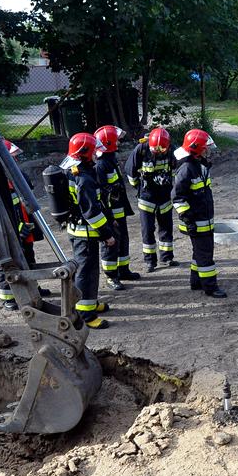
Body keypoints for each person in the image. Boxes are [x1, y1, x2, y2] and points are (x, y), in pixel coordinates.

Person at [61, 133, 116, 329]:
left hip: (81, 231)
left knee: (89, 271)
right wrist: (107, 234)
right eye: (94, 151)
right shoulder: (84, 178)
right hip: (85, 234)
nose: (96, 155)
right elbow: (92, 212)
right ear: (85, 153)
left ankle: (90, 302)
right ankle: (85, 314)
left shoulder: (76, 170)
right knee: (86, 272)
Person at [0, 140, 50, 311]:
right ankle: (9, 297)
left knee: (28, 257)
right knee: (7, 262)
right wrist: (15, 228)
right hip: (9, 231)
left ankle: (33, 288)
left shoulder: (15, 175)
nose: (15, 160)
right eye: (11, 157)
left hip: (25, 227)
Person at [172, 129, 227, 298]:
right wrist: (188, 220)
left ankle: (196, 281)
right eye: (205, 148)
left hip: (203, 220)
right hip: (196, 222)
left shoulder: (198, 166)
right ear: (196, 149)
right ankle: (210, 286)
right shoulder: (186, 169)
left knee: (199, 253)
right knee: (205, 255)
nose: (207, 150)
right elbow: (177, 198)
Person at [125, 127, 177, 272]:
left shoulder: (172, 150)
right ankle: (150, 261)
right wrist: (139, 188)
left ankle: (167, 257)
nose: (159, 152)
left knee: (166, 228)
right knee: (147, 230)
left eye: (162, 150)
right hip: (146, 198)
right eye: (155, 150)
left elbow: (176, 170)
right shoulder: (141, 149)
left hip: (165, 196)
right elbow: (130, 170)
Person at [94, 125, 139, 290]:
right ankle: (111, 277)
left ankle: (123, 270)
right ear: (109, 142)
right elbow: (101, 196)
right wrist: (109, 218)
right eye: (117, 140)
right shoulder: (101, 165)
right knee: (110, 245)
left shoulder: (110, 159)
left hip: (119, 211)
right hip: (110, 214)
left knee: (123, 240)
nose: (119, 143)